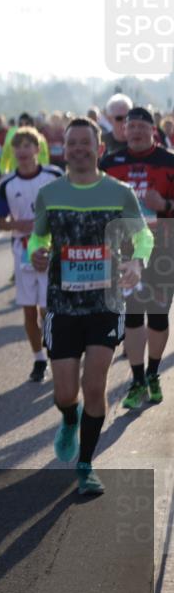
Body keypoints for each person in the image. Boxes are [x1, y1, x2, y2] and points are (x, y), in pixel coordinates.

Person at [29, 117, 153, 495]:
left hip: (106, 303)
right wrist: (37, 254)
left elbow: (143, 235)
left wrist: (136, 261)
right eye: (72, 144)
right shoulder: (49, 193)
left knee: (95, 384)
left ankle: (85, 465)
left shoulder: (119, 192)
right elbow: (37, 240)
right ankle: (70, 418)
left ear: (99, 149)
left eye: (86, 143)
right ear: (64, 150)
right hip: (62, 306)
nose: (79, 149)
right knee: (66, 393)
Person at [100, 107, 174, 407]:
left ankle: (154, 374)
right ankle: (137, 379)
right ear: (124, 131)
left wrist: (166, 203)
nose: (136, 132)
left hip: (163, 251)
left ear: (152, 130)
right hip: (125, 252)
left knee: (157, 316)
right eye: (131, 127)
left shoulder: (169, 161)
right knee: (131, 315)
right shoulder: (109, 164)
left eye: (142, 127)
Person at [0, 127, 63, 383]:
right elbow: (1, 222)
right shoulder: (7, 184)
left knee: (49, 307)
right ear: (13, 151)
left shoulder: (53, 175)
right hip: (22, 250)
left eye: (28, 145)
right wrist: (16, 225)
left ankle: (55, 348)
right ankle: (39, 358)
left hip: (50, 249)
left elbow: (66, 208)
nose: (23, 151)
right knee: (29, 311)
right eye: (18, 146)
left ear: (37, 149)